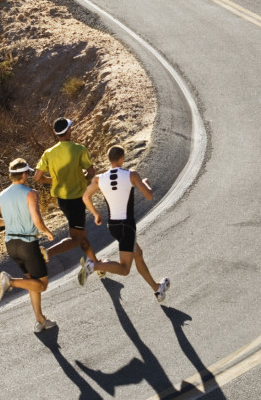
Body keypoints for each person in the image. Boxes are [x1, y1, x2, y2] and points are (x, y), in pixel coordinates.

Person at [80, 145, 170, 302]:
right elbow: (149, 196)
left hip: (113, 226)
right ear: (122, 158)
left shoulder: (99, 179)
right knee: (124, 269)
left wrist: (96, 214)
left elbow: (85, 197)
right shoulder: (131, 175)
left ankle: (157, 289)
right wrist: (145, 182)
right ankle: (93, 266)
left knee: (138, 254)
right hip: (127, 226)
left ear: (109, 159)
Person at [0, 158, 57, 332]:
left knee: (32, 282)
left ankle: (40, 320)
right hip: (27, 244)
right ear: (24, 174)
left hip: (11, 244)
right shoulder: (30, 193)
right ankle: (10, 282)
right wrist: (46, 231)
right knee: (42, 285)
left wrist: (10, 222)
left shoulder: (2, 195)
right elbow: (37, 219)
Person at [33, 117, 99, 275]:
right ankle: (48, 252)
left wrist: (55, 180)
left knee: (81, 235)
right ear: (68, 131)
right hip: (76, 199)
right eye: (71, 128)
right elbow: (91, 174)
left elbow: (37, 178)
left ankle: (97, 265)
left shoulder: (48, 153)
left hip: (62, 201)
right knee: (77, 238)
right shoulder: (79, 149)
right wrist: (80, 178)